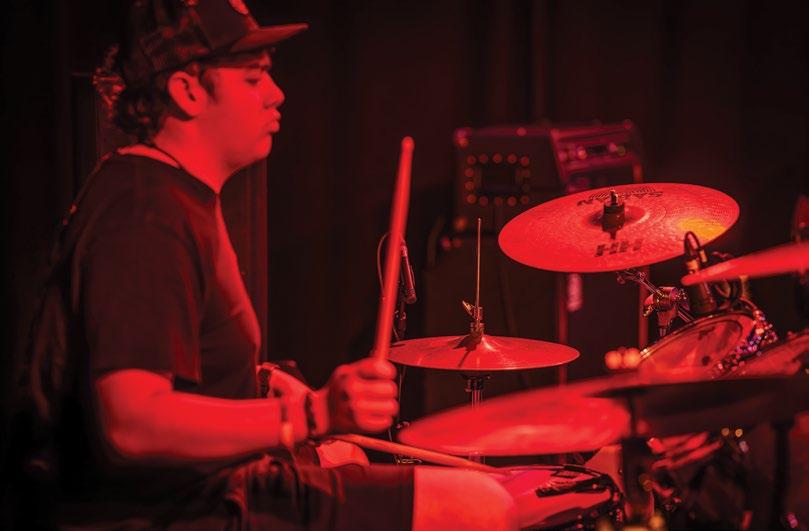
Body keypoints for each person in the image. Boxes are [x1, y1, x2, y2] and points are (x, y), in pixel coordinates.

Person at [46, 1, 518, 529]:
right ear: (187, 91)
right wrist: (311, 414)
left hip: (206, 488)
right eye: (253, 78)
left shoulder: (173, 193)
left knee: (350, 455)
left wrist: (262, 381)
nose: (276, 94)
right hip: (173, 510)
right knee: (482, 506)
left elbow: (173, 367)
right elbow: (132, 423)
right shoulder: (145, 210)